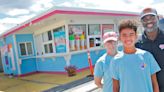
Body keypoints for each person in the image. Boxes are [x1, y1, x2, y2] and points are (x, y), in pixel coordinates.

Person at [111, 19, 161, 92]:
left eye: (131, 34)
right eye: (124, 35)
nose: (128, 38)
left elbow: (154, 83)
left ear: (136, 36)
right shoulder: (115, 61)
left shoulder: (147, 56)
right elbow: (115, 87)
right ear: (119, 38)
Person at [136, 7, 164, 91]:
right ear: (141, 22)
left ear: (158, 18)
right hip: (147, 88)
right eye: (145, 19)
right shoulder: (136, 44)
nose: (149, 21)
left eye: (152, 17)